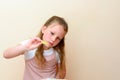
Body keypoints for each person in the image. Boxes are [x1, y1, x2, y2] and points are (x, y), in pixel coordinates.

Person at [3, 16, 68, 80]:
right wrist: (25, 47)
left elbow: (61, 73)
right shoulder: (30, 45)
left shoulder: (57, 53)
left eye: (58, 38)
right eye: (52, 33)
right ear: (43, 29)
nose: (53, 39)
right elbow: (6, 54)